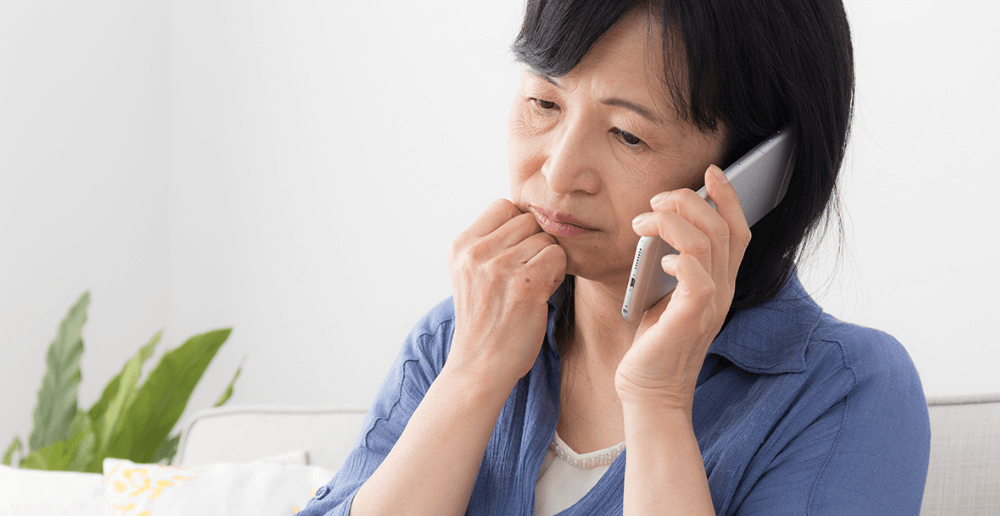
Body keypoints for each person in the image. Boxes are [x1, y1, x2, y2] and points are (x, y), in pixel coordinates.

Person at [299, 0, 930, 514]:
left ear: (756, 170)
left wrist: (658, 402)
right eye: (543, 103)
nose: (560, 168)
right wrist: (471, 376)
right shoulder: (459, 334)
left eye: (628, 134)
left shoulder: (844, 388)